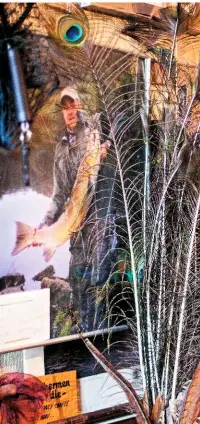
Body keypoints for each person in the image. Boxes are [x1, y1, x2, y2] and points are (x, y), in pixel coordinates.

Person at [41, 87, 117, 332]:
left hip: (100, 218)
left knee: (100, 279)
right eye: (65, 107)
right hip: (75, 226)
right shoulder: (61, 148)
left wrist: (106, 148)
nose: (69, 111)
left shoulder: (94, 129)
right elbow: (59, 193)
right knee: (78, 278)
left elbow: (116, 133)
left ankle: (104, 336)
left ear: (81, 106)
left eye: (73, 105)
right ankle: (84, 334)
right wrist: (47, 220)